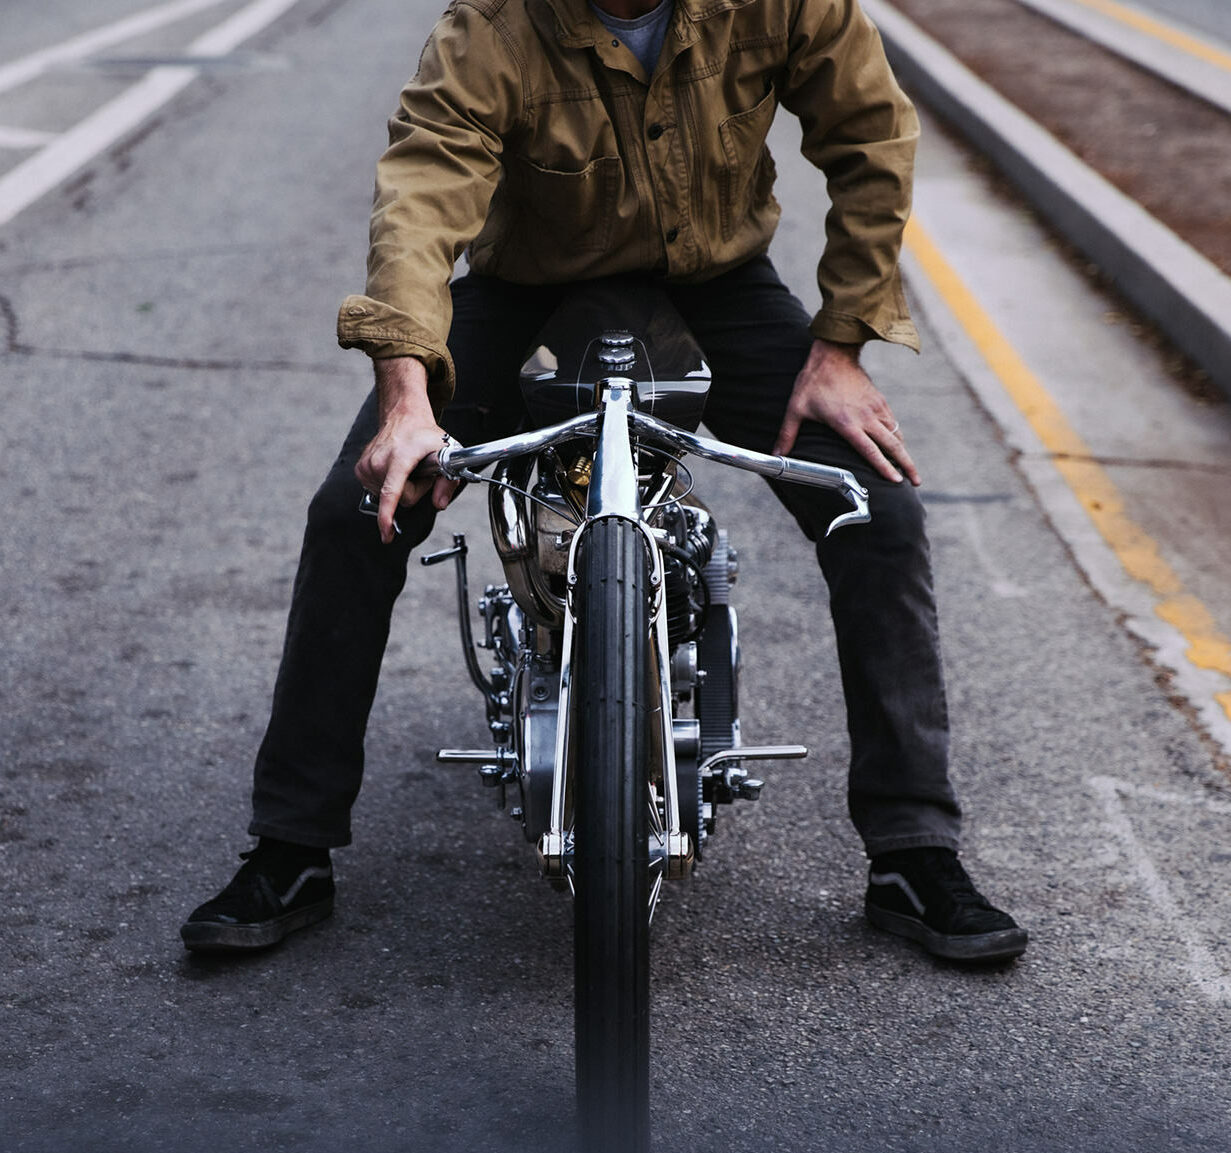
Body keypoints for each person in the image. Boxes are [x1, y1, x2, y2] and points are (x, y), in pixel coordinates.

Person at [181, 0, 1028, 964]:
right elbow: (422, 191)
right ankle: (290, 845)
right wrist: (407, 393)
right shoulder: (493, 25)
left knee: (871, 502)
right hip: (523, 291)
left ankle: (913, 853)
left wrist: (840, 343)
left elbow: (870, 129)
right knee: (357, 507)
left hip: (719, 284)